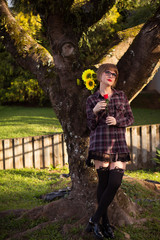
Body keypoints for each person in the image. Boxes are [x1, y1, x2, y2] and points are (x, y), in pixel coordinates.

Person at [85, 63, 134, 239]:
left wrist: (117, 120)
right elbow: (90, 125)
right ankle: (104, 224)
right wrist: (95, 112)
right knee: (103, 184)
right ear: (99, 76)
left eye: (114, 74)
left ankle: (94, 219)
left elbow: (130, 118)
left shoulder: (121, 96)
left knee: (114, 183)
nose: (111, 75)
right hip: (100, 145)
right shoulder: (91, 99)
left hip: (119, 145)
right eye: (108, 72)